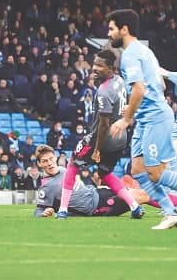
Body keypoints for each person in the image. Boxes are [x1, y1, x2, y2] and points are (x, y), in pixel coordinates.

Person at [107, 9, 177, 230]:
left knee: (156, 173)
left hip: (155, 118)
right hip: (146, 117)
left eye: (111, 28)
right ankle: (171, 213)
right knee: (138, 171)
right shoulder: (145, 51)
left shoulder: (130, 55)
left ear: (124, 29)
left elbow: (139, 88)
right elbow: (159, 84)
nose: (109, 33)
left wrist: (125, 118)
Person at [56, 50, 145, 220]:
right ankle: (134, 206)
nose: (94, 68)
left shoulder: (104, 92)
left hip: (102, 138)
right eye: (94, 64)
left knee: (73, 164)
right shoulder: (119, 80)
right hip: (121, 138)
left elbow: (103, 125)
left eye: (99, 66)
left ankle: (62, 209)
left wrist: (97, 149)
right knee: (105, 173)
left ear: (111, 68)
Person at [35, 145, 177, 217]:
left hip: (98, 192)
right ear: (39, 164)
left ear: (55, 157)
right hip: (96, 206)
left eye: (51, 159)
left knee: (139, 193)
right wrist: (44, 213)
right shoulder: (46, 187)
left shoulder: (63, 170)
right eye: (44, 161)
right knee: (143, 195)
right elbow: (38, 210)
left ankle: (175, 204)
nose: (49, 163)